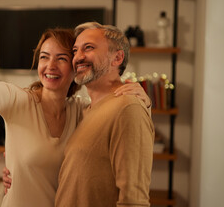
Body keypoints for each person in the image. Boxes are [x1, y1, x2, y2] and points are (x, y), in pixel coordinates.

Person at [0, 0, 151, 207]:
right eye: (44, 57)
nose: (50, 66)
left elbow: (122, 130)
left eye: (62, 58)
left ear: (74, 68)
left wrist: (144, 103)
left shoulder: (84, 111)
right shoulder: (17, 102)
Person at [54, 22, 155, 207]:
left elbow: (134, 200)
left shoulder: (128, 108)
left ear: (117, 58)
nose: (77, 57)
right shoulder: (86, 110)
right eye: (75, 51)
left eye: (88, 48)